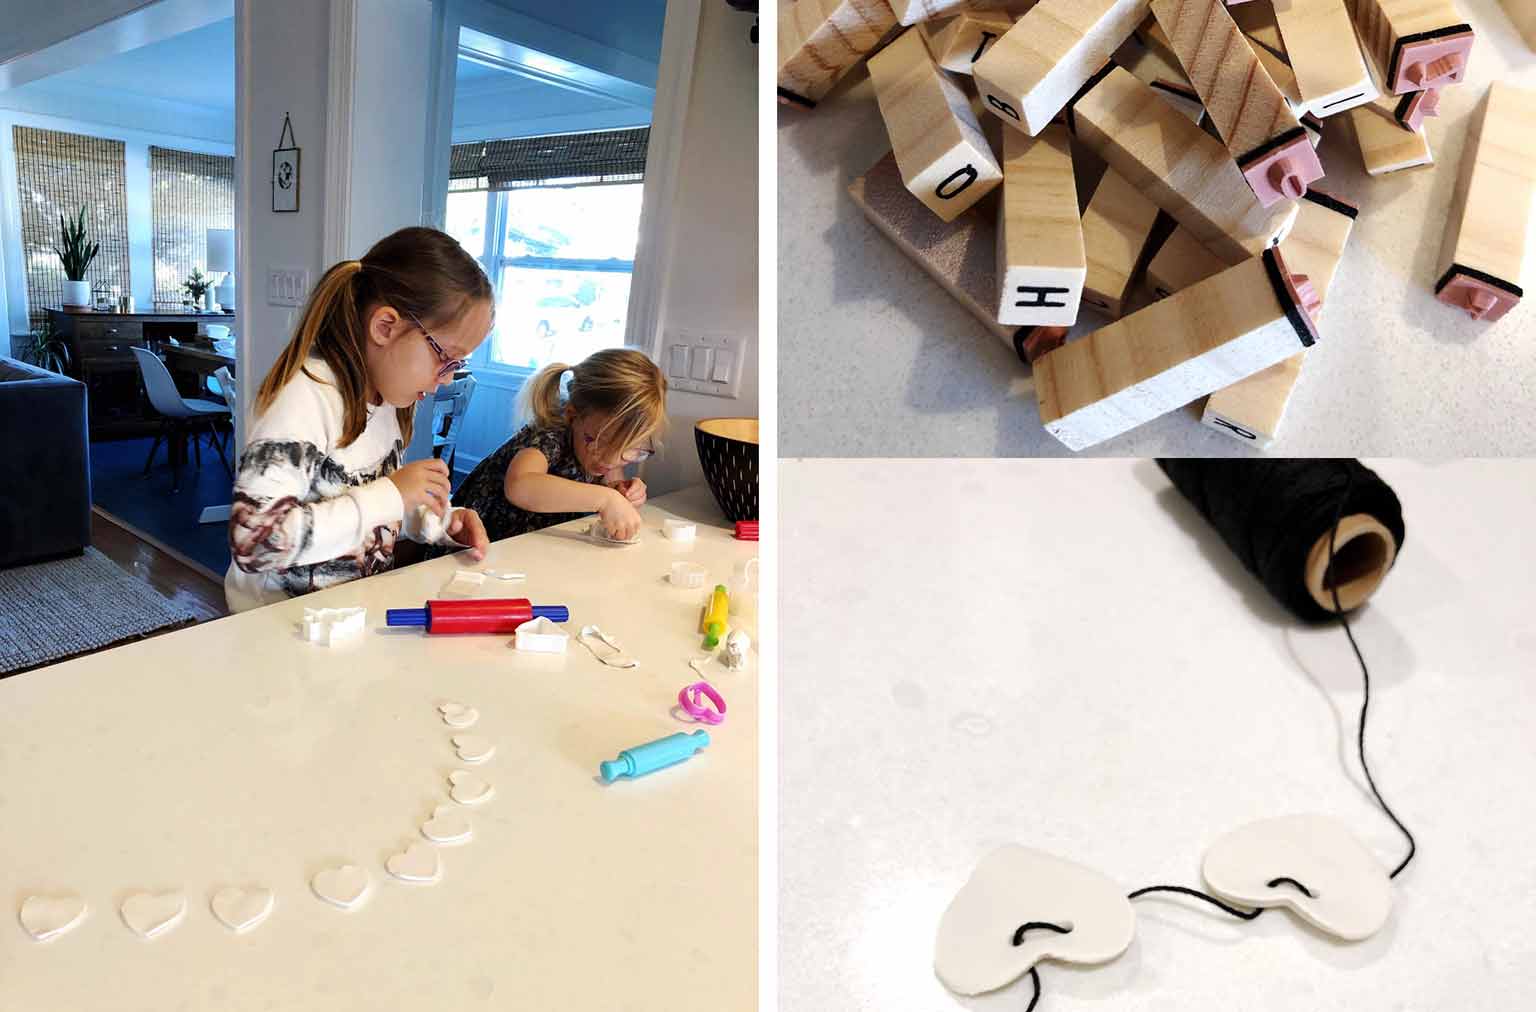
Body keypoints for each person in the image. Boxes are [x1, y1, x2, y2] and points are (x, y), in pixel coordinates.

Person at [226, 226, 493, 612]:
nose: (447, 378)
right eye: (444, 357)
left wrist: (435, 521)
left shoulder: (386, 403)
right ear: (385, 326)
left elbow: (366, 511)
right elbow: (254, 544)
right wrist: (393, 493)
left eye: (459, 364)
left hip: (343, 619)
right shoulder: (305, 398)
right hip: (271, 631)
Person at [452, 348, 667, 543]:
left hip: (531, 549)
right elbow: (520, 485)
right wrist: (605, 499)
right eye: (602, 445)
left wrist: (623, 493)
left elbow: (613, 483)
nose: (610, 461)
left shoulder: (601, 450)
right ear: (573, 415)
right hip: (475, 545)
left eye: (629, 450)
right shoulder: (549, 435)